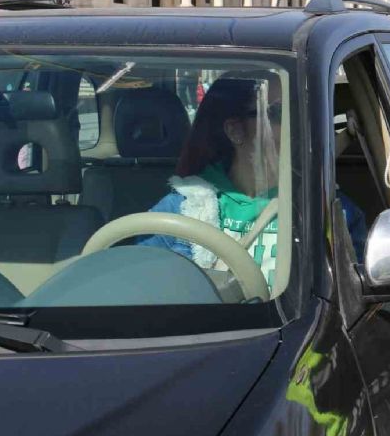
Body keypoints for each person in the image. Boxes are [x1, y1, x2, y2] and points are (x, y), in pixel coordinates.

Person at [140, 78, 366, 288]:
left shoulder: (330, 211)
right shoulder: (179, 210)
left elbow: (347, 301)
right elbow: (142, 290)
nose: (298, 126)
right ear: (235, 130)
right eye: (278, 113)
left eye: (301, 113)